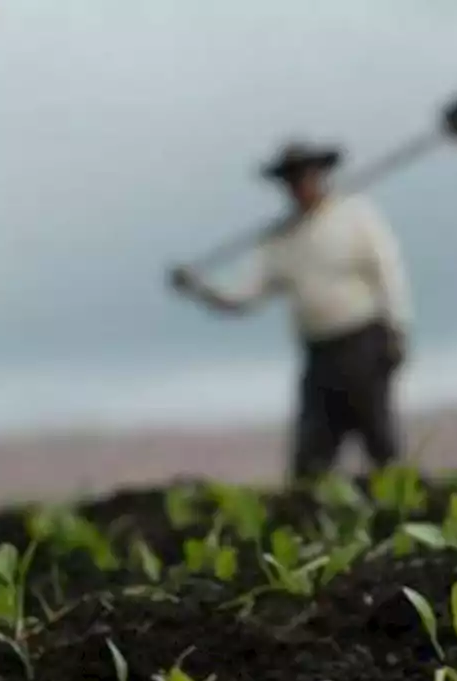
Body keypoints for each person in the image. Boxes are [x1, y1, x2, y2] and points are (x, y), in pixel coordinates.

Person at [169, 140, 413, 485]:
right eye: (293, 180)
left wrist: (398, 328)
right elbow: (244, 296)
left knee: (381, 440)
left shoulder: (354, 215)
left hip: (363, 342)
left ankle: (407, 509)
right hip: (319, 353)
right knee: (311, 456)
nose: (300, 186)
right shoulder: (280, 241)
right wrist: (200, 288)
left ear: (321, 176)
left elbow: (388, 272)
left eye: (306, 176)